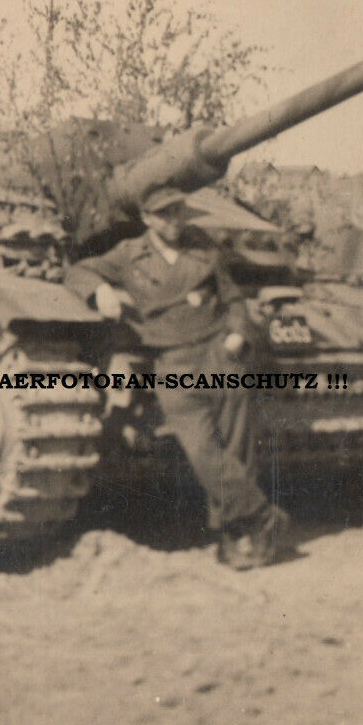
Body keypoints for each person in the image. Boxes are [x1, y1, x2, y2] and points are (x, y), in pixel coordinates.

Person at [65, 187, 295, 569]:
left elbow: (233, 298)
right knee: (202, 450)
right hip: (173, 360)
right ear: (148, 219)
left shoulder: (202, 247)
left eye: (178, 212)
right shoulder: (130, 254)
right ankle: (263, 516)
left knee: (236, 448)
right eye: (165, 215)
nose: (175, 221)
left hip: (220, 353)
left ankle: (235, 538)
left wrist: (238, 333)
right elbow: (78, 270)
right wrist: (100, 290)